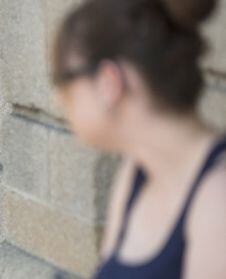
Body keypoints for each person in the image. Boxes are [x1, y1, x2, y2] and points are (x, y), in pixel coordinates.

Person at [52, 0, 226, 277]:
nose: (58, 97)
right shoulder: (136, 173)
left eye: (64, 79)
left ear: (109, 81)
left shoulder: (218, 201)